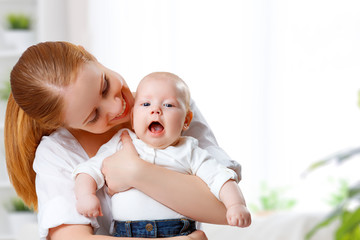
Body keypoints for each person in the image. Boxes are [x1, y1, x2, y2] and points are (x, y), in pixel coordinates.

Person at [4, 41, 242, 240]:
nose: (117, 106)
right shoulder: (57, 153)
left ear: (91, 56)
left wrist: (135, 173)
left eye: (105, 86)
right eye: (93, 116)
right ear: (64, 124)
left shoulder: (169, 104)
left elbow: (223, 208)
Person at [73, 72, 251, 237]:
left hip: (178, 231)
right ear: (133, 119)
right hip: (126, 233)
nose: (156, 110)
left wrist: (236, 205)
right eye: (145, 104)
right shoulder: (122, 141)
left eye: (168, 105)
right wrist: (85, 195)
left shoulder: (189, 150)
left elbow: (221, 178)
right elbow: (89, 170)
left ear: (186, 121)